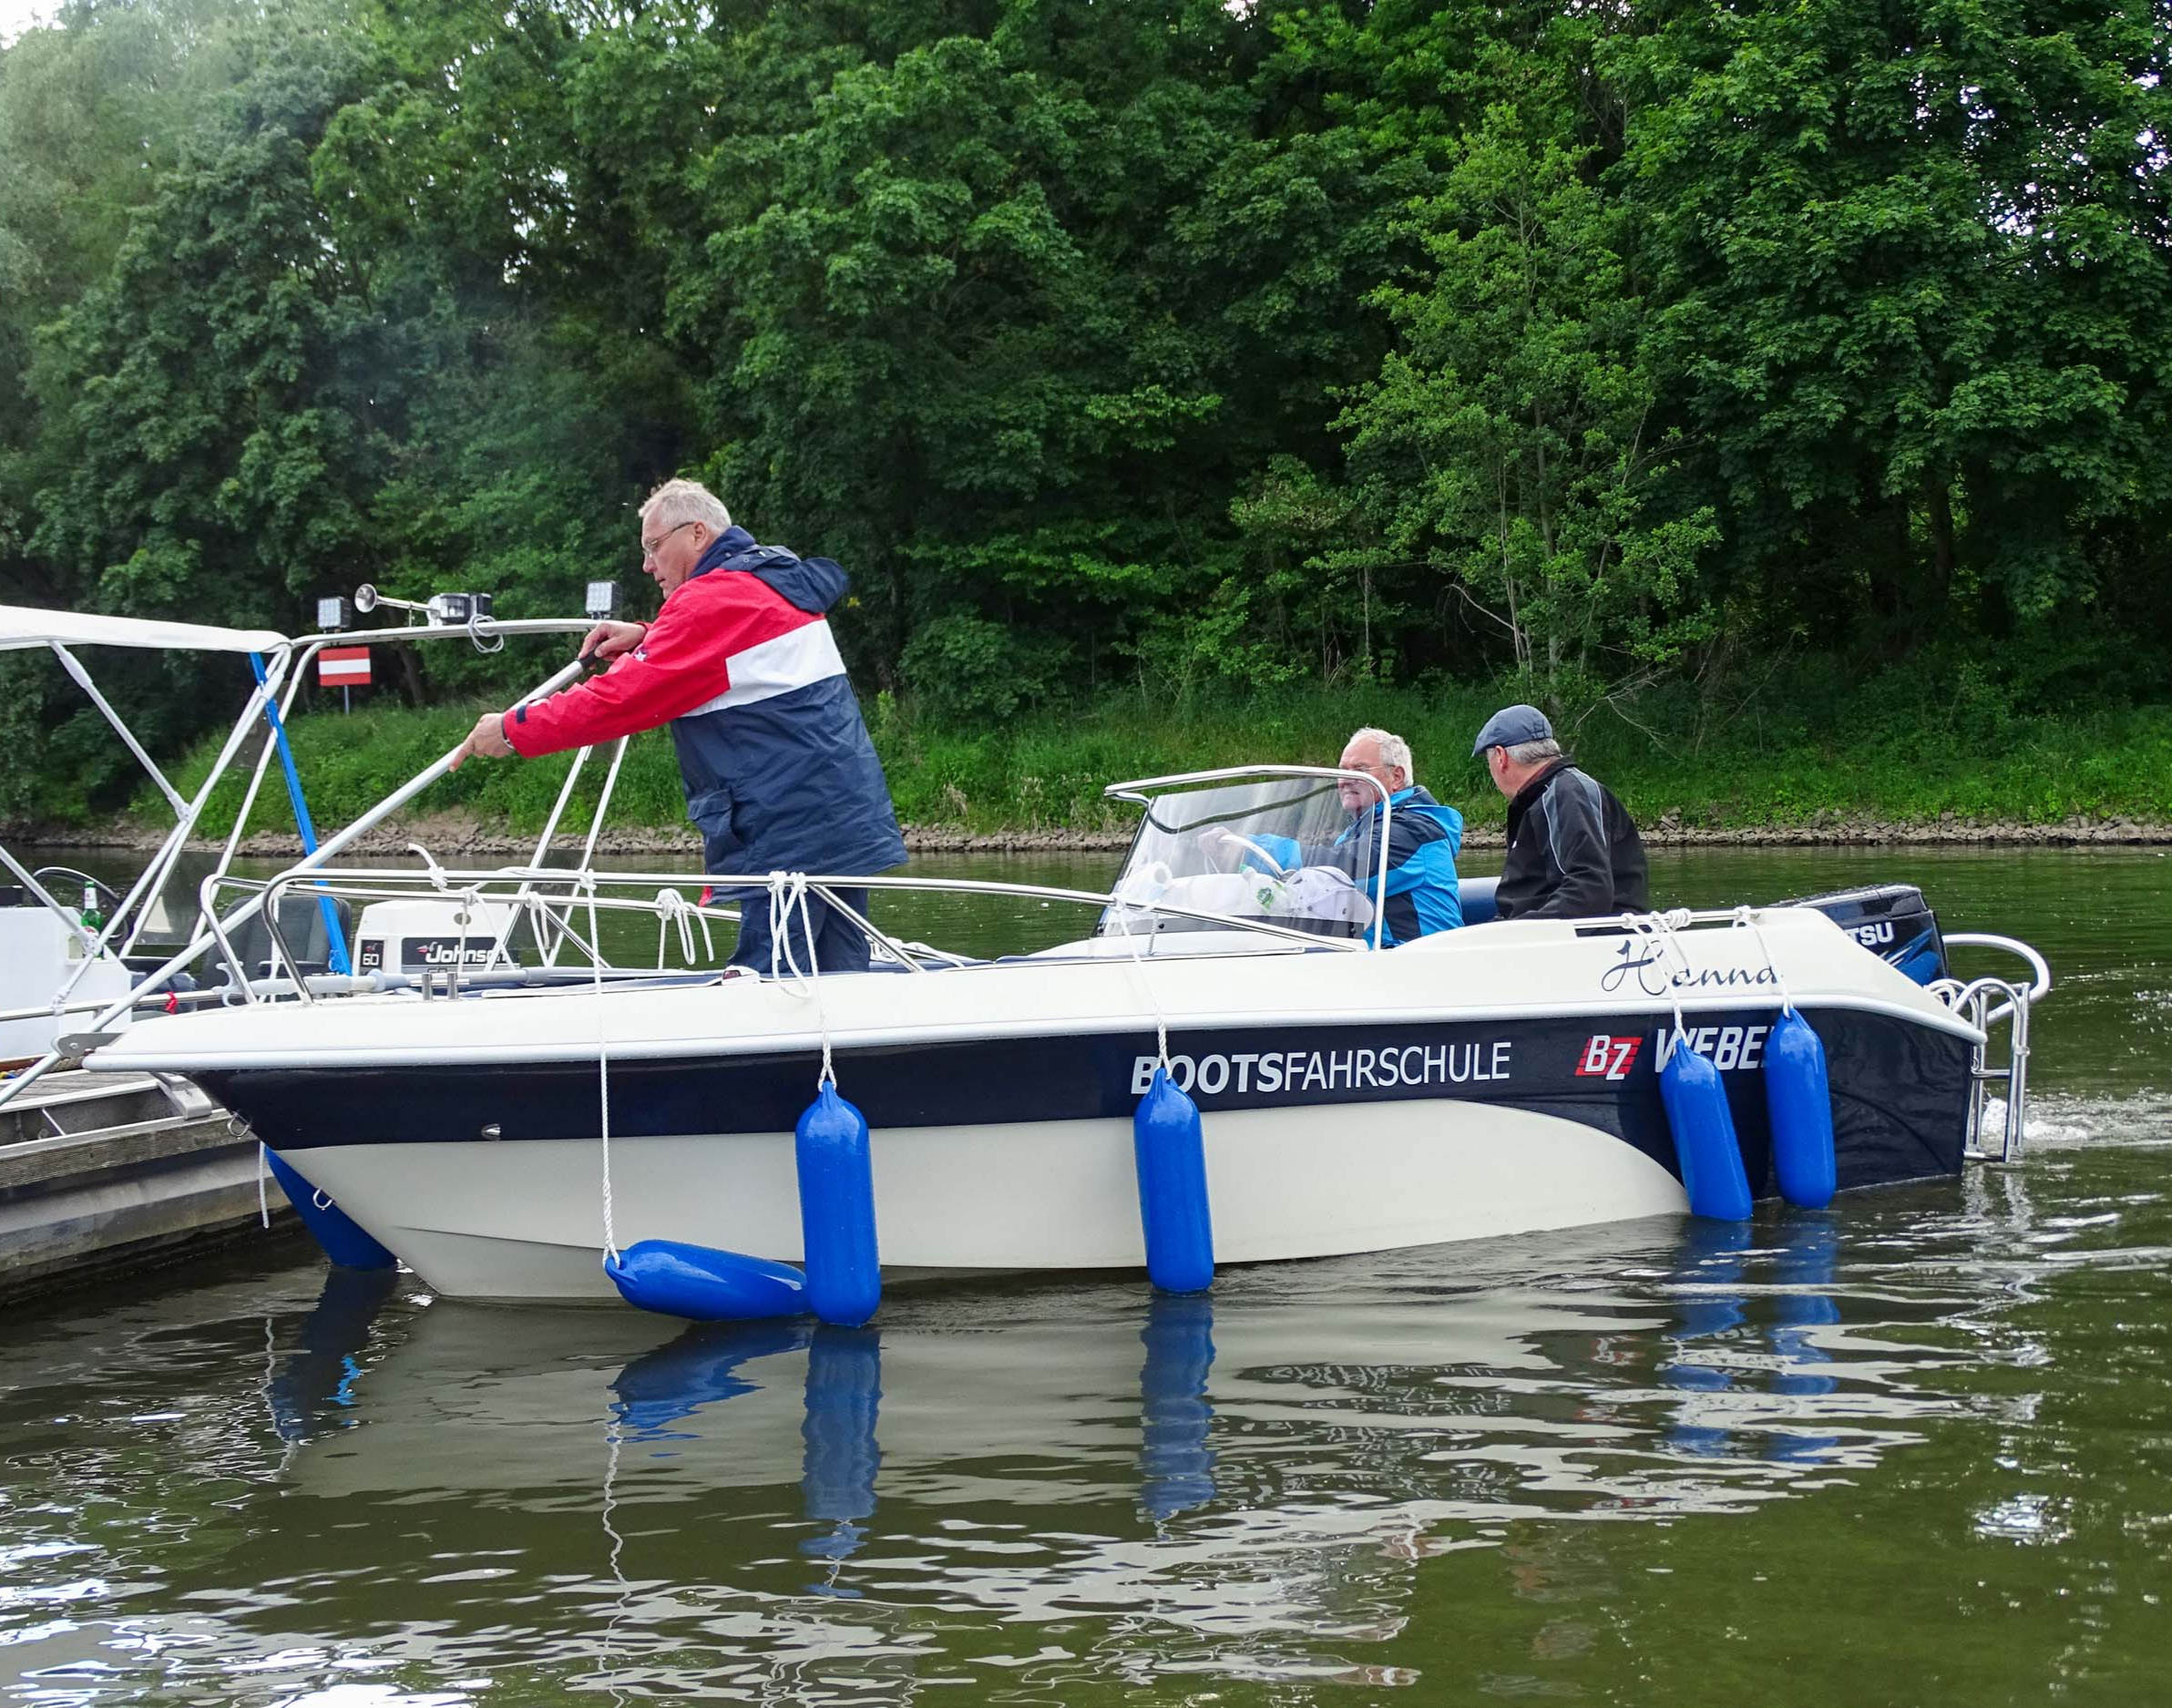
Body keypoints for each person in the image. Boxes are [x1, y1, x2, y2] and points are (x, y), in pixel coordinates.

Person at [451, 478, 907, 972]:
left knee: (775, 982)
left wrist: (515, 728)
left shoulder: (713, 600)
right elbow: (726, 654)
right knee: (838, 976)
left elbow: (618, 701)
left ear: (696, 534)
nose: (647, 565)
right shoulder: (768, 579)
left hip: (786, 825)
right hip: (835, 814)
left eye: (653, 546)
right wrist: (650, 635)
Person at [1204, 728, 1463, 944]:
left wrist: (1253, 848)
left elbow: (1347, 869)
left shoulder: (1416, 829)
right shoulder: (1364, 829)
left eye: (1358, 769)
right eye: (1342, 771)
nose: (1344, 780)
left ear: (1396, 777)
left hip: (1417, 966)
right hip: (1374, 962)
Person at [1472, 704, 1648, 919]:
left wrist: (1516, 931)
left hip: (1589, 941)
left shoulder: (1566, 794)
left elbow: (1589, 889)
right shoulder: (1547, 796)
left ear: (1501, 757)